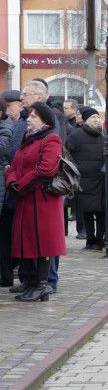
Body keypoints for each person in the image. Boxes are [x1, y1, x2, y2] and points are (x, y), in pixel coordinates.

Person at [5, 102, 65, 302]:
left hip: (43, 200)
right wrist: (12, 181)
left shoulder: (51, 139)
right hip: (27, 199)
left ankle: (42, 285)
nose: (28, 120)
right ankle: (31, 282)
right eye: (29, 116)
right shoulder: (29, 138)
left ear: (44, 120)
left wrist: (20, 185)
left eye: (33, 117)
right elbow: (15, 164)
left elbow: (47, 169)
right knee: (28, 241)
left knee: (43, 244)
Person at [66, 108, 105, 250]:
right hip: (84, 180)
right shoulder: (75, 136)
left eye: (97, 117)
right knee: (87, 211)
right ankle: (90, 239)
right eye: (93, 117)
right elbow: (68, 155)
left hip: (100, 180)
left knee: (101, 212)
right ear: (86, 119)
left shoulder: (103, 136)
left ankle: (99, 240)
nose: (96, 120)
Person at [0, 91, 27, 287]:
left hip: (7, 190)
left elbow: (5, 151)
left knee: (5, 235)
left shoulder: (8, 128)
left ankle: (6, 275)